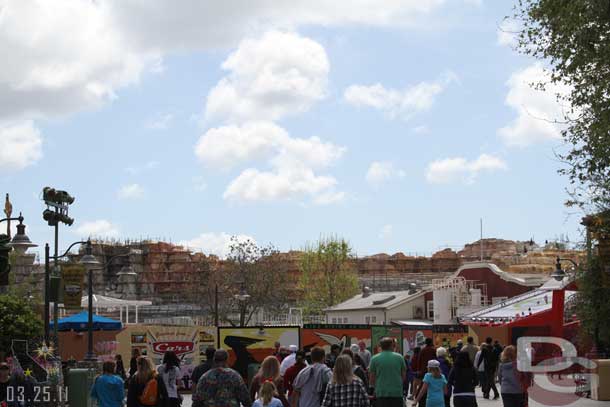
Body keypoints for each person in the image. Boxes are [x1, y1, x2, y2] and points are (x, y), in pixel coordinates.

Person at [369, 337, 406, 407]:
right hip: (397, 393)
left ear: (381, 346)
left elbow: (371, 379)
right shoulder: (399, 357)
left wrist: (374, 389)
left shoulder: (374, 358)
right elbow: (403, 376)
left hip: (381, 393)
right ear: (391, 345)